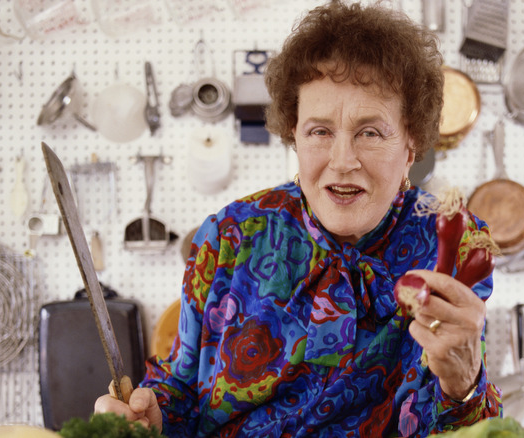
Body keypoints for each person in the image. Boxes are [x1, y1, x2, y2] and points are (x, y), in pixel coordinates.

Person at [95, 1, 501, 435]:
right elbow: (178, 388)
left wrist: (465, 386)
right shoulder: (231, 235)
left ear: (412, 144)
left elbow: (469, 426)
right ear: (294, 134)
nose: (343, 161)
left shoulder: (451, 244)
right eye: (320, 131)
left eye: (370, 132)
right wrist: (147, 415)